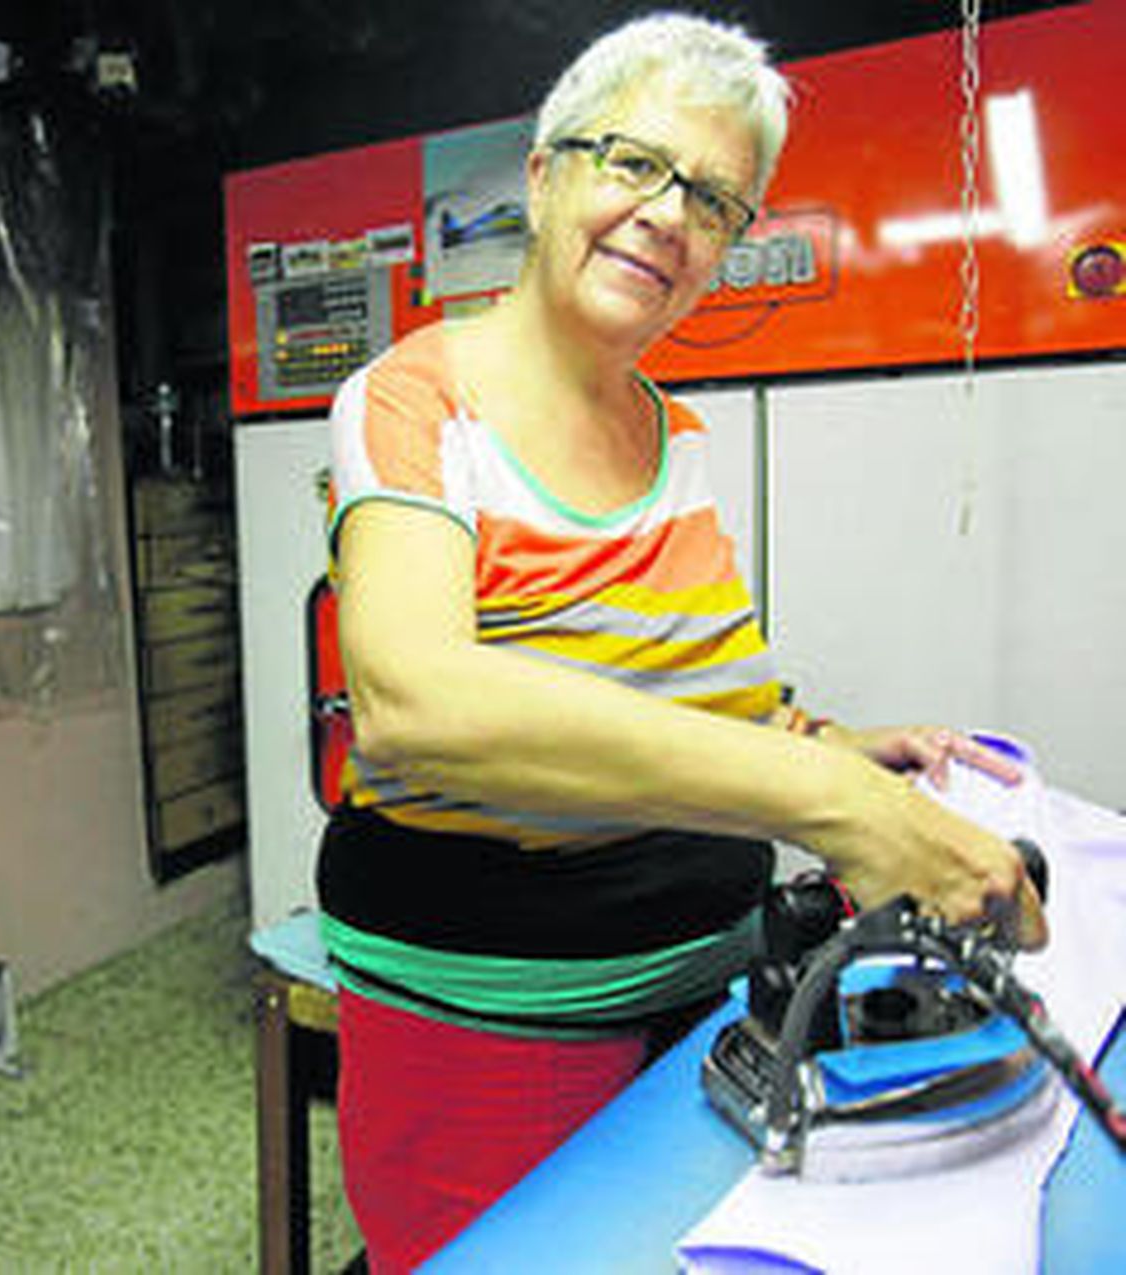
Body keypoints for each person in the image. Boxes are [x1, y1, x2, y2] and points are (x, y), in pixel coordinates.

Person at [315, 11, 1048, 1271]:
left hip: (708, 991)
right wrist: (826, 799)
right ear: (543, 178)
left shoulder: (675, 433)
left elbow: (685, 688)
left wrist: (834, 746)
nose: (668, 215)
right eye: (634, 162)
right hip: (499, 1023)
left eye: (712, 199)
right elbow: (413, 702)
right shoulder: (414, 400)